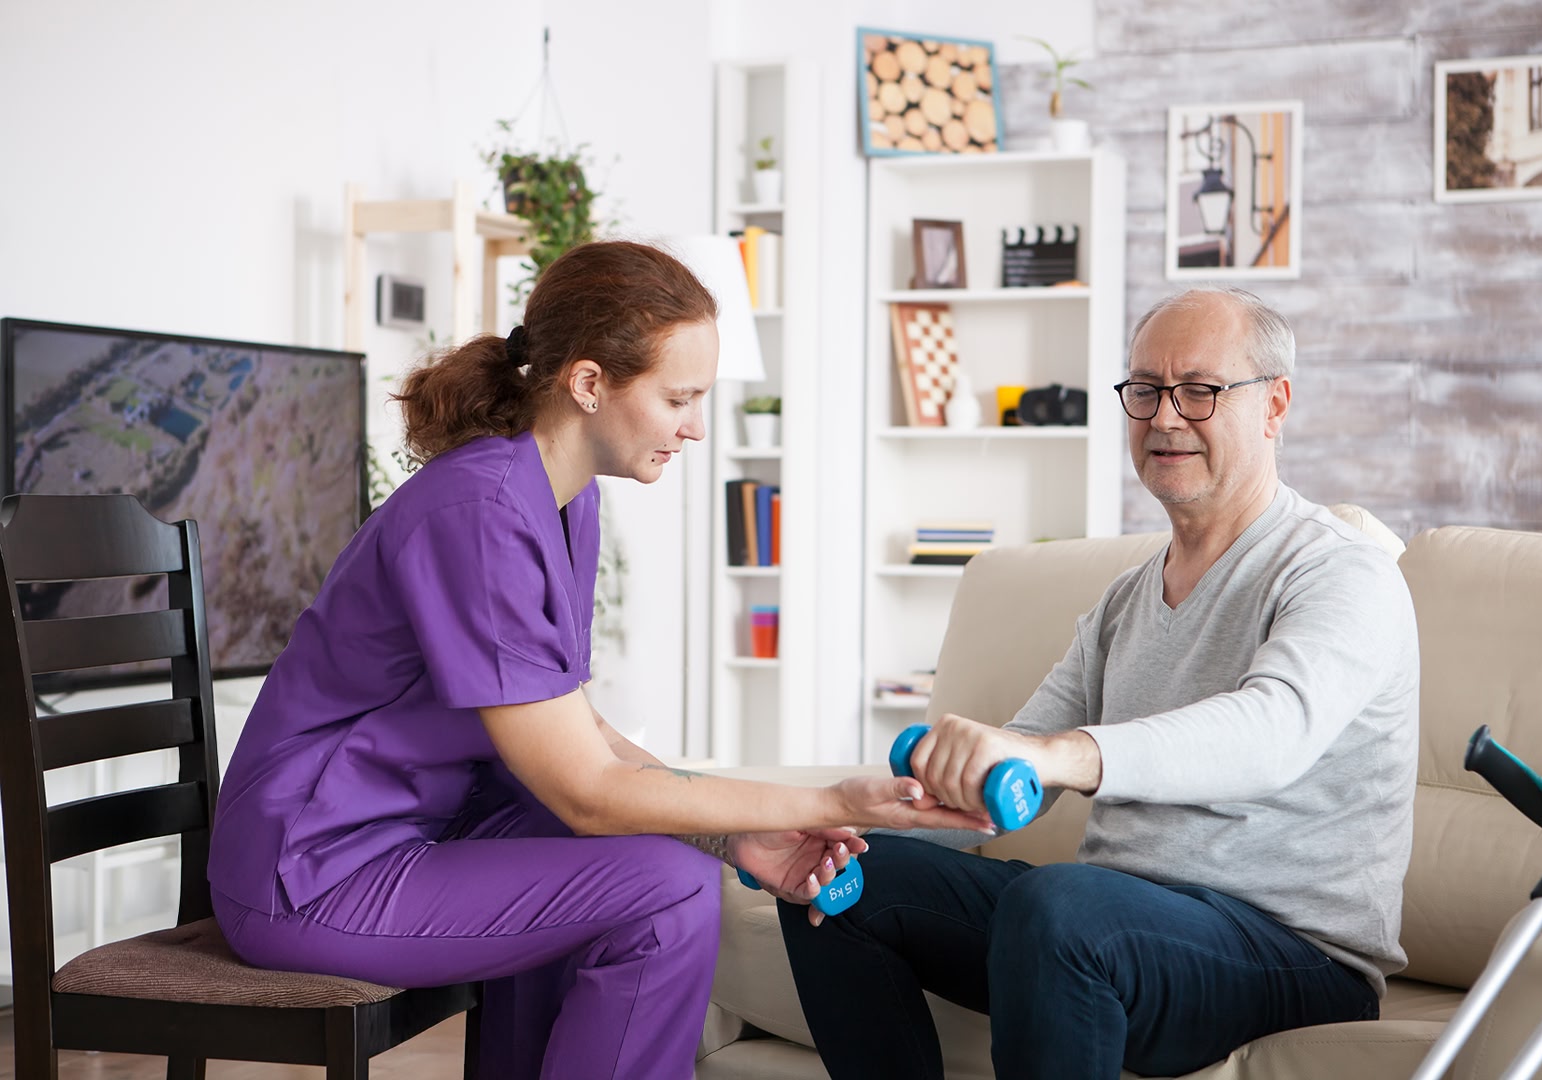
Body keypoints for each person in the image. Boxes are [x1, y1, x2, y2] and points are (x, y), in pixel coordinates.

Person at [207, 240, 992, 1080]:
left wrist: (729, 833)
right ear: (588, 383)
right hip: (314, 869)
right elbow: (585, 789)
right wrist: (831, 797)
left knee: (642, 859)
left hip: (422, 832)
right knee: (665, 890)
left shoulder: (563, 501)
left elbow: (577, 732)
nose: (695, 426)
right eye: (678, 398)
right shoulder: (477, 512)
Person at [777, 287, 1420, 1080]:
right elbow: (1013, 772)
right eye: (1145, 390)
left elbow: (1272, 731)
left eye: (1199, 390)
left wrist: (1064, 755)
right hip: (1114, 927)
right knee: (840, 880)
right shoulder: (1125, 601)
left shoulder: (1341, 572)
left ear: (1274, 405)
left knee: (1062, 906)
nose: (1165, 417)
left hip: (1291, 953)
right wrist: (836, 824)